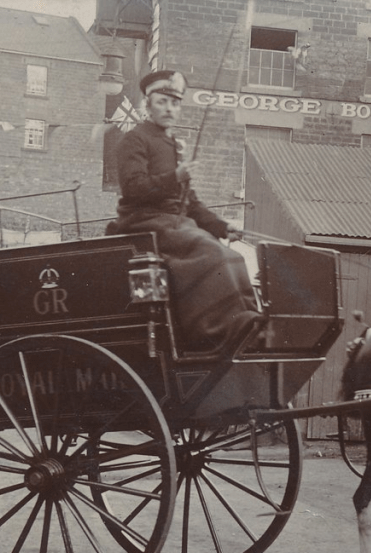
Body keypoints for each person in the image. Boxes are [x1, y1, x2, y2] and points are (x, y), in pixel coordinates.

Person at [107, 70, 259, 351]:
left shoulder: (173, 145)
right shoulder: (134, 139)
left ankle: (246, 322)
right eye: (162, 101)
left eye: (175, 103)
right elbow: (133, 188)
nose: (169, 109)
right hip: (142, 222)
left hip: (174, 223)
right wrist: (174, 177)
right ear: (147, 104)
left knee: (233, 255)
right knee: (209, 252)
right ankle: (213, 331)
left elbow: (189, 200)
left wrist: (221, 226)